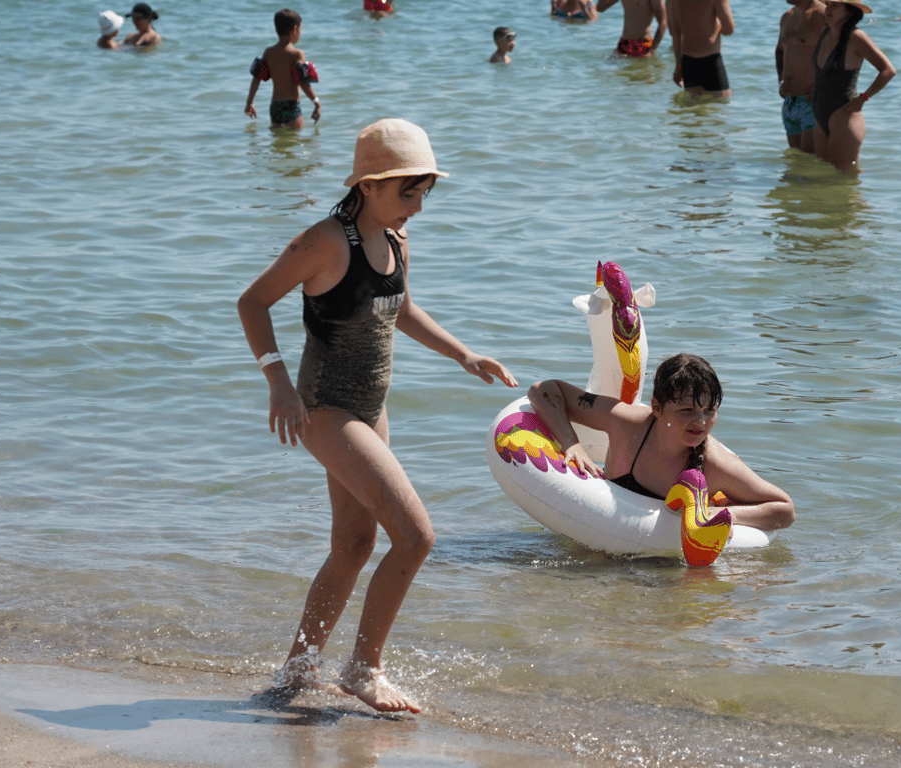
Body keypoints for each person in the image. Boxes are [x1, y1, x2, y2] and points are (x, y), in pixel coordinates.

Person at [237, 118, 519, 712]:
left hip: (371, 409)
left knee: (354, 544)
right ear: (368, 185)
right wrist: (278, 384)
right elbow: (253, 302)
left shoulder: (396, 239)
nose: (417, 206)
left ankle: (297, 672)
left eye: (422, 193)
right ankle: (364, 669)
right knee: (416, 537)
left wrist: (463, 354)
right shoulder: (324, 241)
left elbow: (402, 309)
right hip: (323, 408)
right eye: (407, 192)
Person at [526, 353, 796, 532]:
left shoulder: (714, 464)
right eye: (687, 411)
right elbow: (544, 390)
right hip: (600, 534)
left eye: (709, 410)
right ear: (656, 407)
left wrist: (723, 515)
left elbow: (785, 510)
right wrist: (571, 443)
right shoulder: (625, 423)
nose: (700, 422)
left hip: (662, 567)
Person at [808, 0, 896, 172]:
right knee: (824, 174)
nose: (828, 9)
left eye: (835, 5)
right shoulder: (825, 32)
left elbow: (888, 70)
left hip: (844, 115)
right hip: (820, 114)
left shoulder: (856, 37)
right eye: (828, 4)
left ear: (849, 11)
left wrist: (863, 98)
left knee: (845, 178)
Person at [245, 9, 321, 130]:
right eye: (300, 30)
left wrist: (249, 103)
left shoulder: (268, 53)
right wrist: (316, 102)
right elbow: (303, 83)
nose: (300, 34)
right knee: (294, 142)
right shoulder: (297, 54)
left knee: (277, 144)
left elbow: (256, 79)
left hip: (275, 107)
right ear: (294, 29)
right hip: (291, 106)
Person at [776, 0, 825, 153]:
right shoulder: (787, 17)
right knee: (796, 162)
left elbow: (837, 54)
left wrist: (821, 86)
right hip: (790, 101)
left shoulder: (823, 15)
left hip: (813, 101)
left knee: (810, 163)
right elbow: (779, 50)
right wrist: (781, 80)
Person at [666, 0, 735, 99]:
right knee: (719, 109)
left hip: (688, 62)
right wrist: (716, 24)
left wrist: (678, 66)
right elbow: (729, 29)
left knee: (693, 110)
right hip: (711, 61)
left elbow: (675, 33)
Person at [597, 0, 666, 58]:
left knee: (640, 73)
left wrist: (652, 50)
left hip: (643, 44)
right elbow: (600, 8)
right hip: (624, 43)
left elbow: (663, 21)